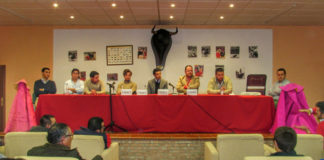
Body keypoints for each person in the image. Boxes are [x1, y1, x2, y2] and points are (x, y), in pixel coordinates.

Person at [28, 123, 102, 160]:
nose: (71, 138)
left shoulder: (33, 152)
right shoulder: (71, 155)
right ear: (63, 139)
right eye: (71, 136)